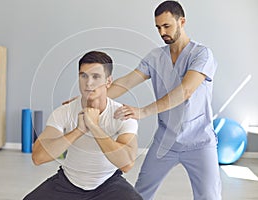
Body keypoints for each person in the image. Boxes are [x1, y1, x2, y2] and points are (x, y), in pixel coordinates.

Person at [107, 1, 222, 200]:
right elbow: (126, 81)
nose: (162, 32)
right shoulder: (155, 57)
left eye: (167, 26)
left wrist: (142, 112)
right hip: (165, 142)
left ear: (182, 21)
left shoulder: (202, 54)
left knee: (209, 197)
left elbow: (185, 90)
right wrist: (90, 97)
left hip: (199, 142)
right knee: (139, 194)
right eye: (158, 27)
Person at [23, 51, 143, 200]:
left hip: (108, 184)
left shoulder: (123, 115)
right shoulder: (64, 112)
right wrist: (78, 131)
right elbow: (38, 157)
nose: (88, 83)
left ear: (108, 81)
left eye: (96, 77)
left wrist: (94, 127)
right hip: (68, 183)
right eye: (83, 76)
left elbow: (126, 164)